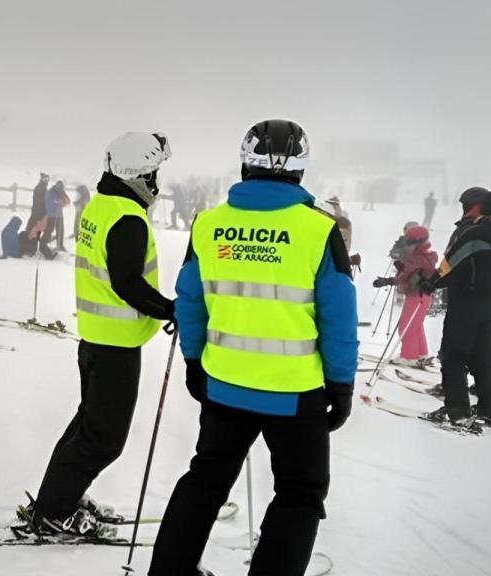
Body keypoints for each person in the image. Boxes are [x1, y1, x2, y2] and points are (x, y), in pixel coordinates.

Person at [150, 119, 358, 576]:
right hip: (294, 393)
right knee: (300, 493)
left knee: (205, 480)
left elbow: (190, 300)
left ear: (246, 162)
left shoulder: (211, 224)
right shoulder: (318, 230)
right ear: (299, 169)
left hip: (224, 385)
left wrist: (193, 360)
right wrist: (341, 385)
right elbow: (339, 316)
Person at [21, 132, 175, 537]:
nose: (156, 181)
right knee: (103, 440)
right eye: (153, 171)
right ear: (138, 172)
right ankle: (54, 511)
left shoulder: (102, 205)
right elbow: (126, 282)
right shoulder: (126, 217)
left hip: (97, 338)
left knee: (87, 427)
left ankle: (60, 498)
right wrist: (169, 309)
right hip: (115, 344)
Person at [423, 188, 491, 432]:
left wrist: (431, 283)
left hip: (465, 304)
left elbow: (450, 265)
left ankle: (456, 411)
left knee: (453, 356)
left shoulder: (475, 234)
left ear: (484, 208)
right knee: (485, 358)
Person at [373, 225, 436, 367]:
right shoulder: (429, 253)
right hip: (424, 295)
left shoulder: (417, 257)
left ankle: (409, 356)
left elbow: (404, 277)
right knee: (416, 325)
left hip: (416, 294)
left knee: (406, 326)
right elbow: (416, 272)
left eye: (410, 241)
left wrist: (387, 281)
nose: (408, 243)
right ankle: (421, 353)